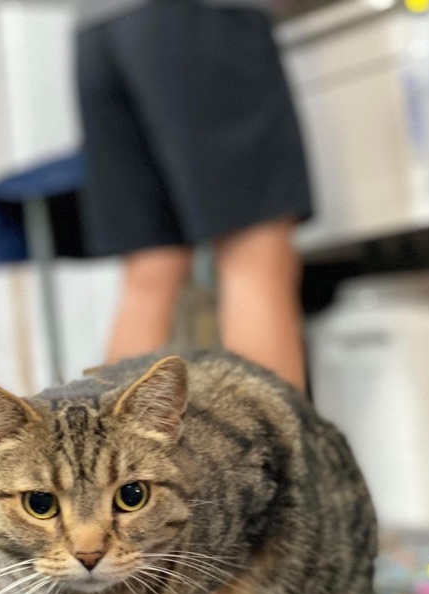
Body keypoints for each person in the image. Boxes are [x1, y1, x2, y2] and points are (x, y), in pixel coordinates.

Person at [72, 0, 312, 390]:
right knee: (253, 257)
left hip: (98, 31)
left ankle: (118, 434)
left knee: (150, 273)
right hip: (199, 17)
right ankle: (270, 433)